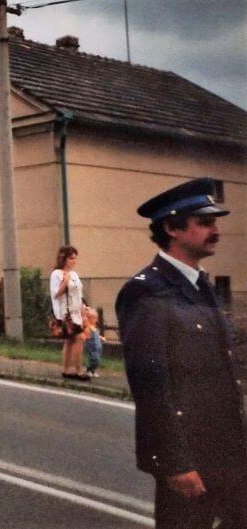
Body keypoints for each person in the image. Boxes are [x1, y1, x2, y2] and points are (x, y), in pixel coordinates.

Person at [116, 177, 246, 529]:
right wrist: (174, 462)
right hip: (190, 459)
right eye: (204, 222)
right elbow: (151, 384)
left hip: (230, 452)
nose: (215, 230)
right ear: (172, 228)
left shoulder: (202, 285)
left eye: (215, 222)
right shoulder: (147, 292)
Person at [49, 246, 89, 381]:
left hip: (76, 312)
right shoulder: (57, 274)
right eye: (71, 258)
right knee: (79, 338)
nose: (74, 261)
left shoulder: (75, 275)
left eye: (75, 258)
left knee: (70, 341)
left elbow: (79, 295)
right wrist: (64, 283)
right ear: (63, 259)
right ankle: (78, 370)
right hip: (65, 313)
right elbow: (55, 294)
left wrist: (83, 313)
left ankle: (66, 369)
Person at [82, 307, 105, 378]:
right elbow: (85, 335)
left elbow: (96, 335)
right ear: (89, 318)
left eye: (96, 318)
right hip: (92, 346)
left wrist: (101, 337)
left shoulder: (94, 328)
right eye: (94, 318)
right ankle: (88, 369)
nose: (96, 320)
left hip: (98, 347)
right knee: (93, 358)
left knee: (97, 359)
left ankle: (93, 370)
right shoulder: (88, 328)